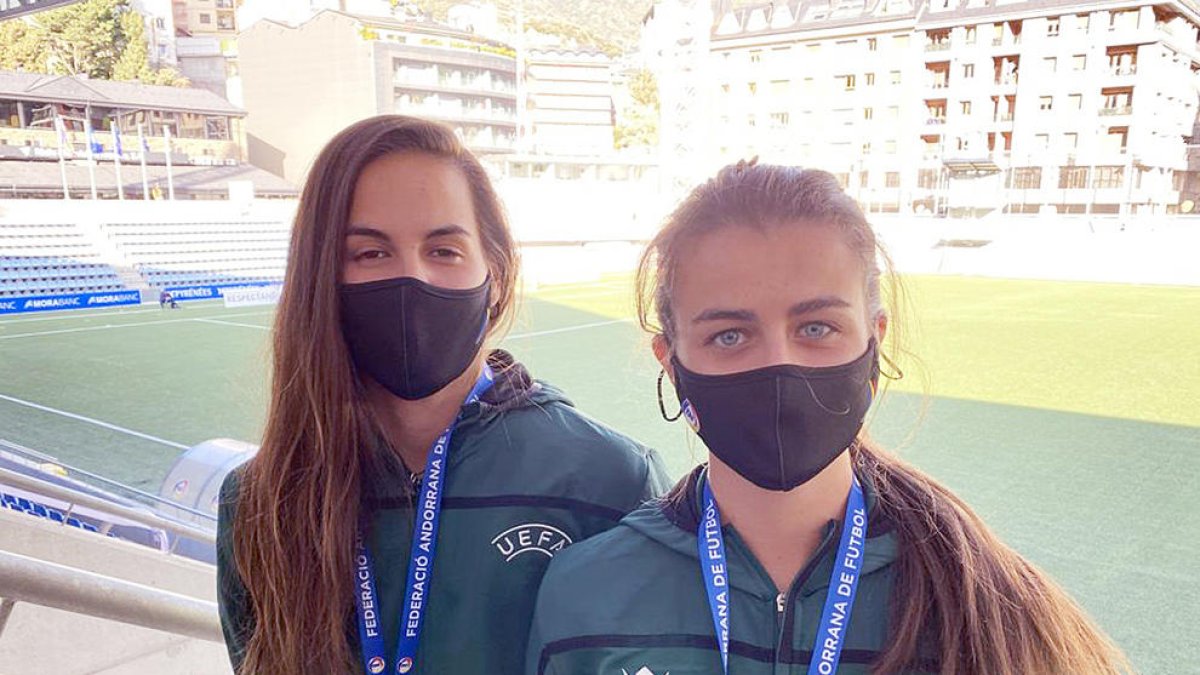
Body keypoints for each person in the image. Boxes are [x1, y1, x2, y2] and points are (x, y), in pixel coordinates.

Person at [527, 162, 1130, 675]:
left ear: (875, 341)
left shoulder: (985, 608)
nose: (779, 364)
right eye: (730, 334)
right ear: (672, 361)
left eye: (816, 328)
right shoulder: (586, 593)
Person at [216, 115, 670, 675]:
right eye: (370, 254)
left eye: (444, 250)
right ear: (321, 281)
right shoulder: (262, 501)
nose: (414, 279)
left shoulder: (609, 479)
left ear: (496, 274)